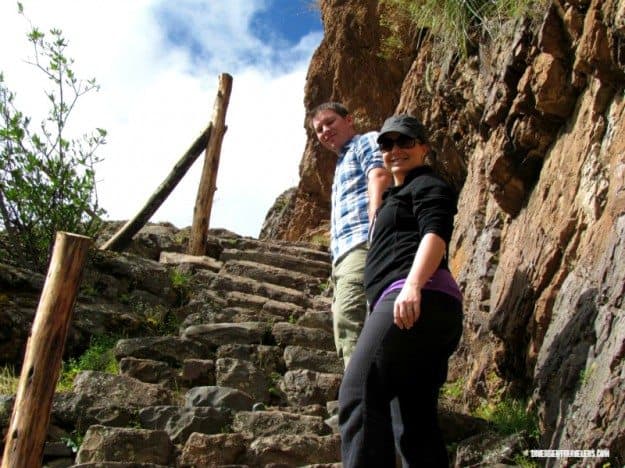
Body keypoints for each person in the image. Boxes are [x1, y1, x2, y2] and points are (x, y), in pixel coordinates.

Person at [338, 115, 464, 467]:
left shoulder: (425, 184)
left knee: (358, 391)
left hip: (414, 296)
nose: (395, 150)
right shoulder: (395, 195)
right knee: (413, 422)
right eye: (387, 144)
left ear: (423, 147)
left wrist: (412, 285)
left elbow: (435, 232)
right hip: (421, 305)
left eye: (405, 142)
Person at [308, 102, 392, 367]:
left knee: (349, 317)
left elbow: (379, 175)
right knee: (352, 319)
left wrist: (376, 224)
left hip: (361, 242)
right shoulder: (341, 163)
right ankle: (367, 395)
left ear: (349, 120)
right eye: (319, 129)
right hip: (344, 254)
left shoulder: (364, 141)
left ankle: (359, 400)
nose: (325, 131)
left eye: (330, 122)